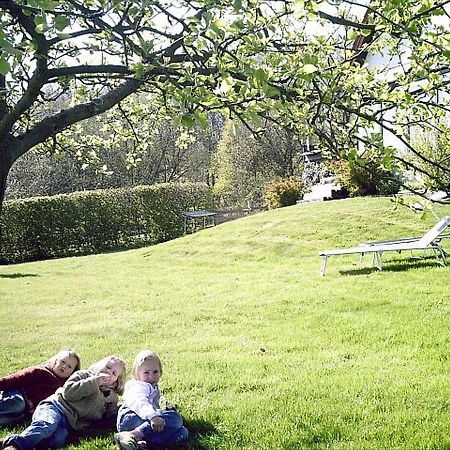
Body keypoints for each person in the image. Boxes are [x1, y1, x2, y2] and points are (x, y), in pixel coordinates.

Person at [2, 355, 126, 450]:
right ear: (99, 365)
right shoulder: (84, 376)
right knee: (46, 426)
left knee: (55, 440)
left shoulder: (111, 398)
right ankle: (15, 445)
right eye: (108, 367)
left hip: (68, 423)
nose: (109, 372)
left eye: (114, 373)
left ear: (116, 382)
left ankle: (8, 441)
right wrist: (94, 382)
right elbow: (69, 393)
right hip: (55, 407)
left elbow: (105, 418)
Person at [115, 350, 188, 450]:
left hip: (143, 418)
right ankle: (133, 435)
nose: (151, 376)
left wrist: (165, 409)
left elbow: (154, 404)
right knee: (175, 418)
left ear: (160, 372)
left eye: (155, 372)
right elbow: (140, 402)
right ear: (137, 374)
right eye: (146, 372)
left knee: (182, 432)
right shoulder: (138, 386)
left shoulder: (152, 386)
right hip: (130, 417)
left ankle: (141, 445)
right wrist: (153, 416)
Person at [0, 348, 81, 428]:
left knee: (13, 419)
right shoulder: (40, 371)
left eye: (69, 366)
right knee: (18, 404)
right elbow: (15, 379)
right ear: (55, 361)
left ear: (72, 373)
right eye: (62, 361)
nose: (64, 366)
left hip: (26, 410)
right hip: (18, 394)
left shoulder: (65, 388)